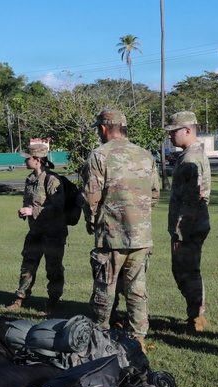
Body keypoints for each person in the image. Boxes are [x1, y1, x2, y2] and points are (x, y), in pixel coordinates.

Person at [82, 108, 160, 349]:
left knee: (105, 286)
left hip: (112, 234)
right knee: (137, 288)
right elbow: (155, 193)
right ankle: (138, 337)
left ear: (103, 128)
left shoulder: (99, 155)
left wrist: (91, 220)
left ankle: (100, 332)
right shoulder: (145, 155)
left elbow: (91, 196)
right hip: (141, 235)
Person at [6, 143, 67, 315]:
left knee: (53, 270)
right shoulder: (30, 179)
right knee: (27, 267)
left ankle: (53, 303)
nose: (25, 160)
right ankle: (20, 299)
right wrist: (25, 210)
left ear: (38, 160)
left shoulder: (52, 180)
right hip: (35, 232)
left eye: (28, 157)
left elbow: (57, 208)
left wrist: (33, 210)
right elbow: (29, 202)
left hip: (53, 234)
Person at [163, 111, 211, 333]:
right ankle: (195, 315)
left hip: (188, 227)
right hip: (192, 225)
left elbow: (192, 199)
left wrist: (180, 233)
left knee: (187, 272)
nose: (170, 136)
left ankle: (196, 318)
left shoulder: (191, 158)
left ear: (188, 131)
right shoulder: (191, 154)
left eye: (173, 132)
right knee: (187, 270)